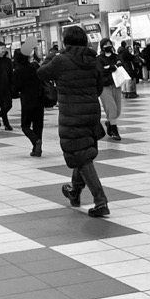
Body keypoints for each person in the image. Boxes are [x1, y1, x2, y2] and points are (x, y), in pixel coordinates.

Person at [38, 25, 109, 218]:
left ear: (66, 42)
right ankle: (74, 191)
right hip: (91, 113)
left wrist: (51, 56)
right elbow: (99, 88)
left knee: (81, 155)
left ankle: (100, 200)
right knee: (82, 152)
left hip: (72, 114)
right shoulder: (94, 60)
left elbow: (41, 73)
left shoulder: (61, 60)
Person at [12, 48, 45, 157]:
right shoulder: (34, 66)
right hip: (39, 98)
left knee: (25, 125)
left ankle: (35, 141)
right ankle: (37, 149)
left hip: (27, 100)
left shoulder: (17, 71)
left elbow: (16, 88)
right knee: (38, 125)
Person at [98, 37, 123, 140]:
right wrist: (111, 67)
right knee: (111, 107)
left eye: (109, 44)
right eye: (105, 44)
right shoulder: (99, 58)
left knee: (117, 109)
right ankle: (114, 129)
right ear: (102, 47)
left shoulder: (116, 56)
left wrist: (108, 67)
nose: (108, 46)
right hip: (104, 86)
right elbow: (100, 70)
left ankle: (109, 122)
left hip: (116, 84)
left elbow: (120, 66)